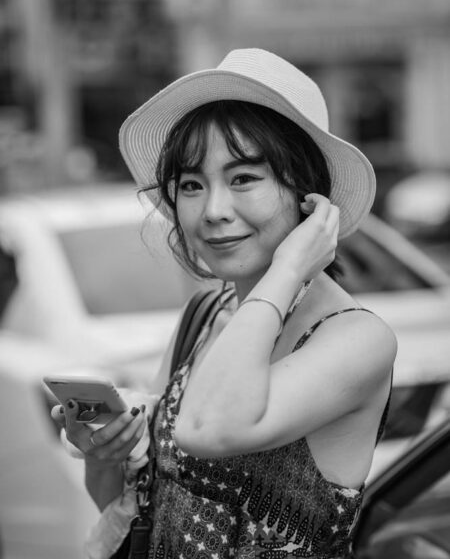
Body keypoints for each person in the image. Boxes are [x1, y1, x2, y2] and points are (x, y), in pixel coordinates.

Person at [52, 48, 397, 558]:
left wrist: (288, 269)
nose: (212, 211)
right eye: (192, 185)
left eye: (244, 179)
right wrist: (105, 454)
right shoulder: (205, 316)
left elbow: (207, 430)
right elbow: (126, 505)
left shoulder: (356, 338)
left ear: (309, 194)